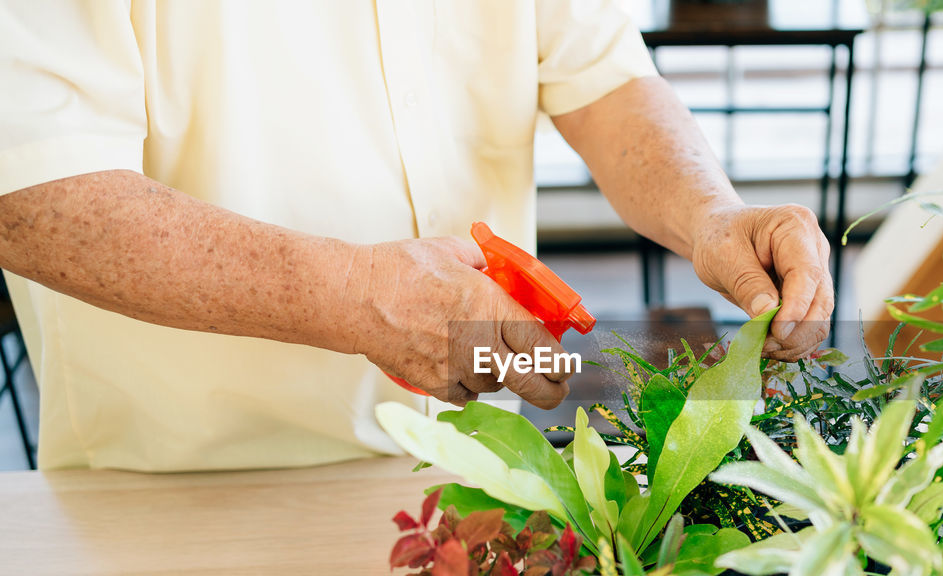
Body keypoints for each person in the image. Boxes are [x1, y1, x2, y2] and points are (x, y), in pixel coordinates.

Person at [0, 1, 834, 472]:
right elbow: (30, 198)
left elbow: (605, 77)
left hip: (488, 454)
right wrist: (355, 299)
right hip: (186, 487)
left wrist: (710, 211)